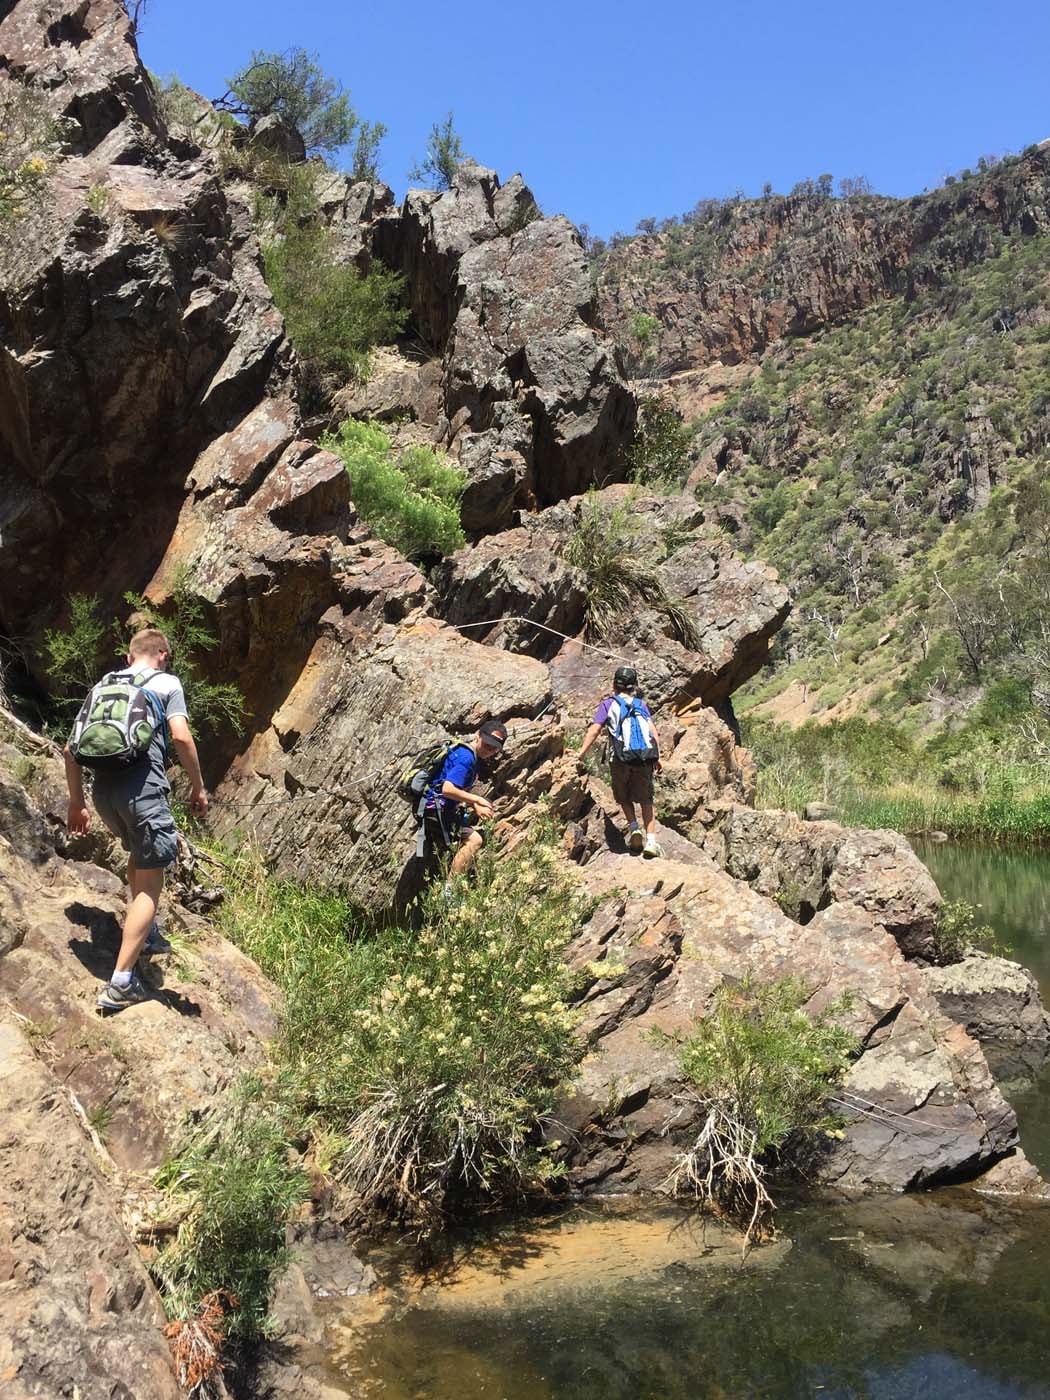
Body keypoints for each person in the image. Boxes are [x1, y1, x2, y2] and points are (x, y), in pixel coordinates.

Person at [64, 627, 209, 1010]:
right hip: (143, 792)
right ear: (162, 654)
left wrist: (76, 803)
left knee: (138, 856)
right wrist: (198, 787)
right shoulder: (167, 683)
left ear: (129, 657)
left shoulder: (104, 686)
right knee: (150, 884)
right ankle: (122, 982)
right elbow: (180, 737)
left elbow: (70, 748)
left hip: (103, 796)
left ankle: (148, 935)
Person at [577, 665, 662, 857]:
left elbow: (595, 729)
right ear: (634, 686)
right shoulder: (641, 705)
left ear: (614, 684)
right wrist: (658, 757)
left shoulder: (608, 705)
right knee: (646, 800)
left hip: (620, 758)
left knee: (623, 796)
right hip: (644, 758)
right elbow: (652, 731)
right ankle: (651, 841)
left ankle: (634, 828)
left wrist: (580, 753)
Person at [423, 719, 508, 881]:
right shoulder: (466, 759)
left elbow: (455, 790)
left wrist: (474, 804)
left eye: (494, 748)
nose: (488, 749)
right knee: (474, 840)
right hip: (436, 809)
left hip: (436, 807)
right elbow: (448, 789)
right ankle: (450, 891)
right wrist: (477, 800)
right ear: (478, 735)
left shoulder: (468, 755)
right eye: (487, 743)